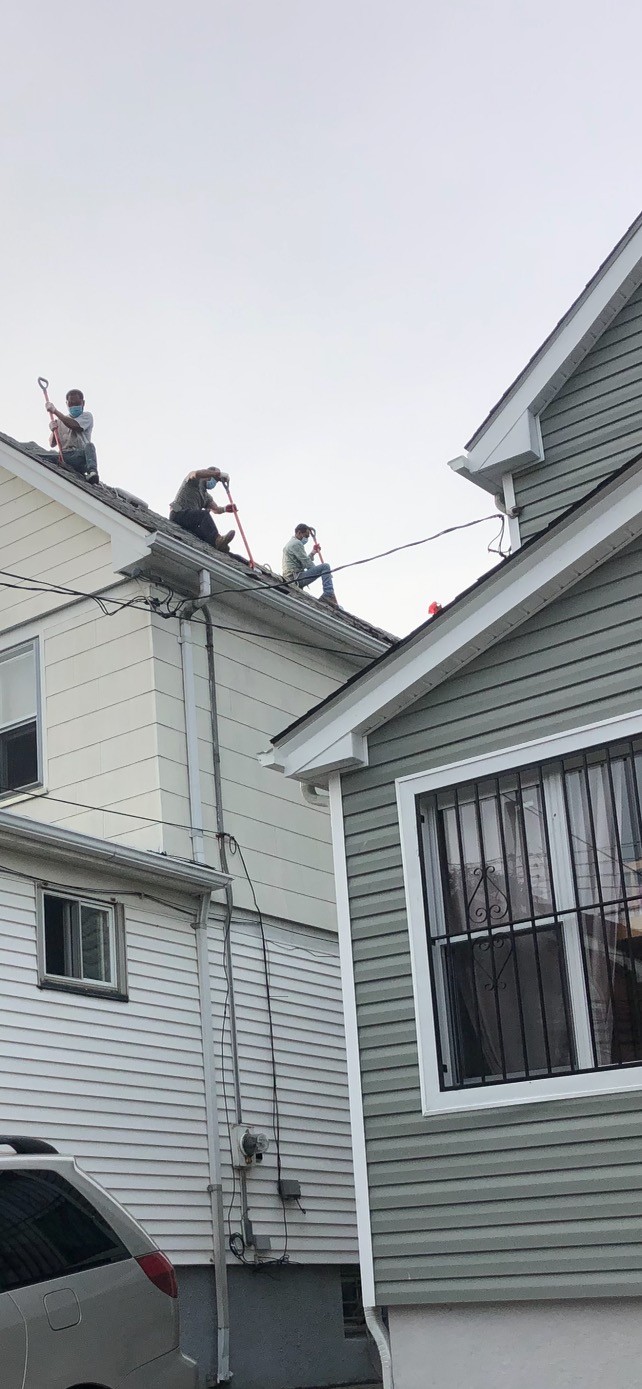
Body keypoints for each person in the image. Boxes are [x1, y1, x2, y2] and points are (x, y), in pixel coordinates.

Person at [170, 467, 236, 551]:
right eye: (214, 479)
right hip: (178, 513)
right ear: (208, 474)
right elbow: (195, 474)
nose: (214, 482)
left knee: (205, 536)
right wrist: (217, 474)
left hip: (190, 521)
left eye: (216, 481)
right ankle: (218, 540)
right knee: (204, 514)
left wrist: (225, 509)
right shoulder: (193, 481)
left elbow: (216, 509)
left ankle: (219, 546)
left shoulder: (205, 496)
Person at [46, 389, 99, 482]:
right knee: (47, 455)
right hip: (65, 456)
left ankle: (92, 472)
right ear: (67, 404)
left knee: (90, 446)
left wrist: (55, 411)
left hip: (81, 456)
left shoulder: (87, 416)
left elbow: (75, 426)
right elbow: (52, 443)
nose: (74, 406)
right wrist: (53, 430)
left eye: (77, 403)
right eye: (71, 404)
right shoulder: (60, 421)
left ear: (83, 403)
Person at [282, 523, 338, 606]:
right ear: (299, 533)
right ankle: (328, 595)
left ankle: (328, 594)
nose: (306, 539)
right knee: (325, 566)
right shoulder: (296, 543)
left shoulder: (291, 543)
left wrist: (313, 553)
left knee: (324, 569)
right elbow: (307, 564)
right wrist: (325, 573)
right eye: (306, 536)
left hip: (292, 577)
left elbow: (302, 561)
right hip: (295, 578)